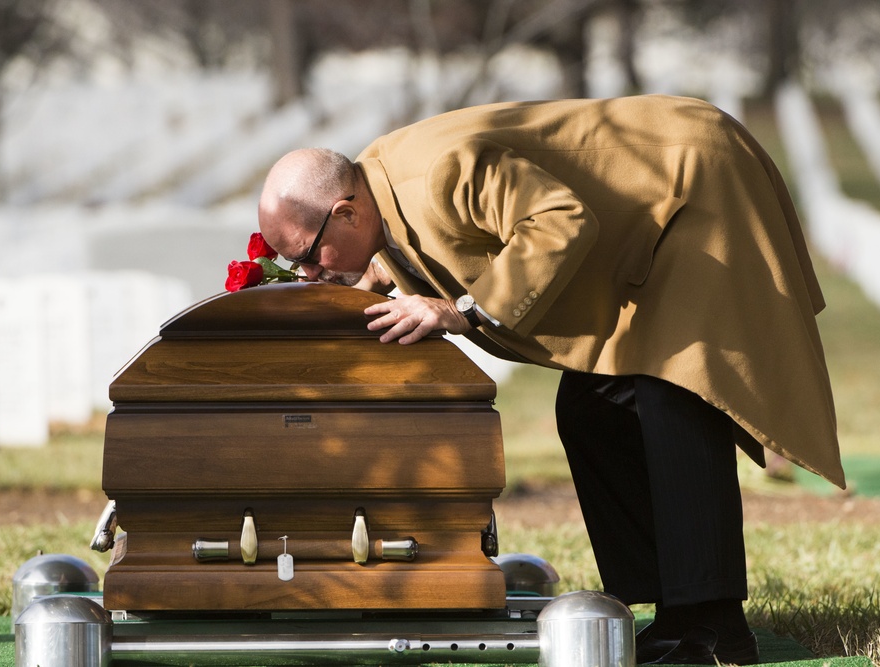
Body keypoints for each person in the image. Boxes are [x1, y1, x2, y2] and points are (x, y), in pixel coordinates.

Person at [258, 95, 845, 665]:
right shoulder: (374, 191)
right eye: (295, 267)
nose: (311, 273)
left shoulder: (442, 170)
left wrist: (462, 310)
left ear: (346, 213)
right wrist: (387, 271)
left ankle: (716, 628)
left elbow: (559, 218)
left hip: (693, 185)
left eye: (310, 256)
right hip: (646, 214)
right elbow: (434, 234)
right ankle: (673, 612)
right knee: (592, 405)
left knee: (673, 391)